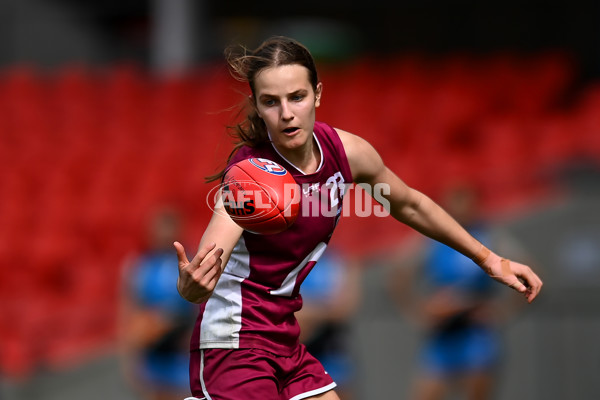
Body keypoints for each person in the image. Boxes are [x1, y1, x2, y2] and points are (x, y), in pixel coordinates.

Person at [173, 36, 542, 400]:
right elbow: (210, 259)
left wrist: (490, 259)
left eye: (297, 97)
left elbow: (410, 204)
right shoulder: (249, 175)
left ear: (317, 93)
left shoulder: (345, 152)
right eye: (271, 102)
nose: (286, 113)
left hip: (283, 336)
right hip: (234, 341)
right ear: (256, 104)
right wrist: (192, 286)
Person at [388, 183, 534, 400]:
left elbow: (528, 272)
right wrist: (419, 312)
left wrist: (501, 312)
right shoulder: (434, 238)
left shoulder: (489, 238)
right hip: (442, 334)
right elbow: (398, 274)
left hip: (476, 334)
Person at [119, 206, 196, 400]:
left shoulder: (191, 263)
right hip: (153, 351)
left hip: (182, 352)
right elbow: (129, 310)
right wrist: (130, 357)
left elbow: (200, 306)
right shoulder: (139, 266)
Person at [295, 248, 362, 399]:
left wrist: (305, 307)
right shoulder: (287, 259)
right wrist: (326, 307)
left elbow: (344, 309)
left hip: (329, 352)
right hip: (292, 354)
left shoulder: (341, 259)